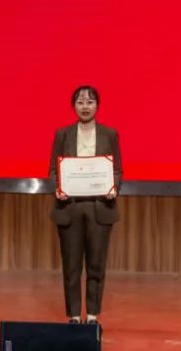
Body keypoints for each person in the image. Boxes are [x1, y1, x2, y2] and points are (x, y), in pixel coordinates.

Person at [48, 85, 122, 325]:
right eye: (80, 102)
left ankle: (91, 315)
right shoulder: (63, 134)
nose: (85, 106)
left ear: (97, 106)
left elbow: (117, 170)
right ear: (74, 106)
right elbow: (53, 170)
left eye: (90, 102)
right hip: (70, 207)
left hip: (99, 207)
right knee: (71, 265)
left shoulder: (109, 134)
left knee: (96, 264)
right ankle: (73, 315)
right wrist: (58, 188)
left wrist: (113, 188)